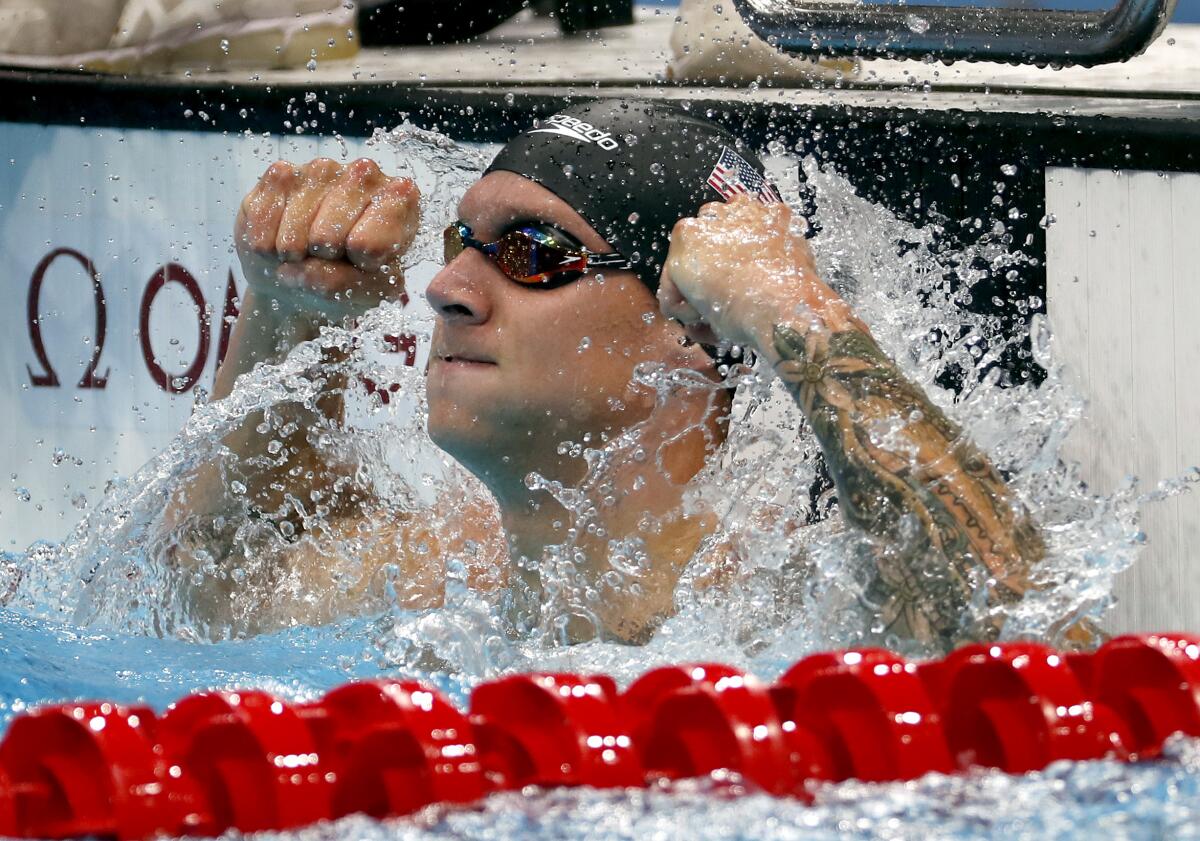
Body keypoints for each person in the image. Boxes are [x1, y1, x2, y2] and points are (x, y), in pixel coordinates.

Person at [172, 100, 1045, 647]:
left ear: (691, 323)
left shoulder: (784, 607)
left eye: (530, 251)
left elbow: (1019, 646)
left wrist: (796, 311)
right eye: (459, 245)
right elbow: (209, 583)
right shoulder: (444, 581)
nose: (445, 290)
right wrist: (286, 320)